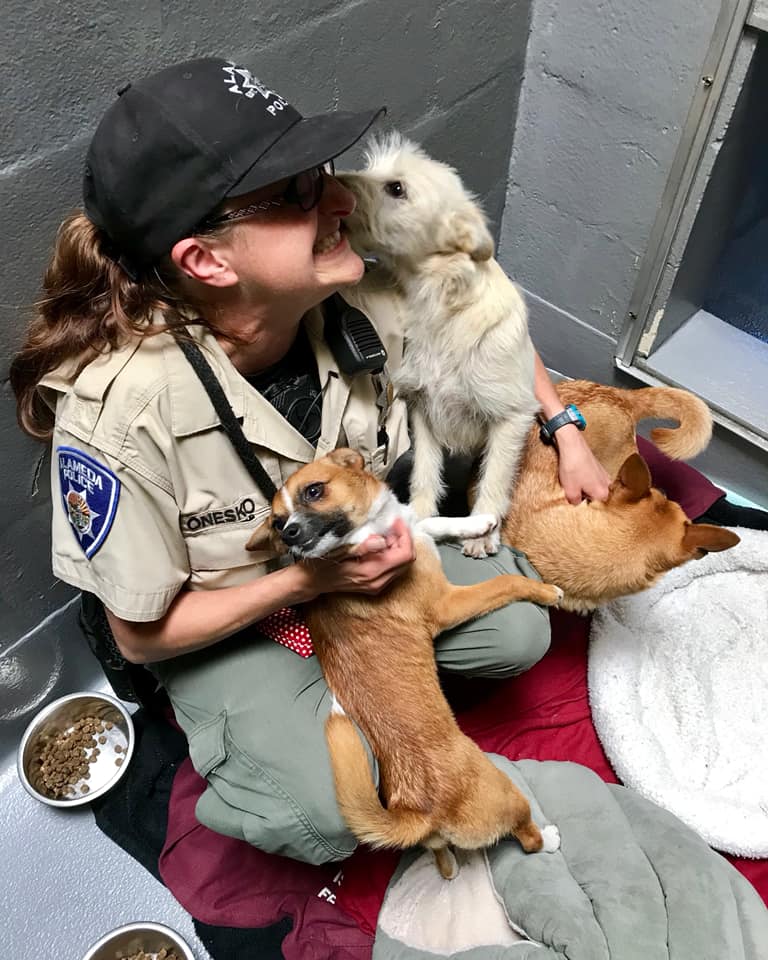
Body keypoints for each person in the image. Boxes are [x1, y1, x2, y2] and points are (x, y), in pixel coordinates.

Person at [10, 56, 611, 865]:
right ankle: (283, 737)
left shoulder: (356, 289)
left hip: (354, 564)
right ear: (206, 261)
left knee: (515, 635)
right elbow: (143, 635)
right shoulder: (120, 418)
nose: (341, 197)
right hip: (234, 620)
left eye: (320, 171)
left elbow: (495, 333)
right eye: (296, 193)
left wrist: (566, 426)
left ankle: (358, 691)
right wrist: (309, 582)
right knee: (323, 820)